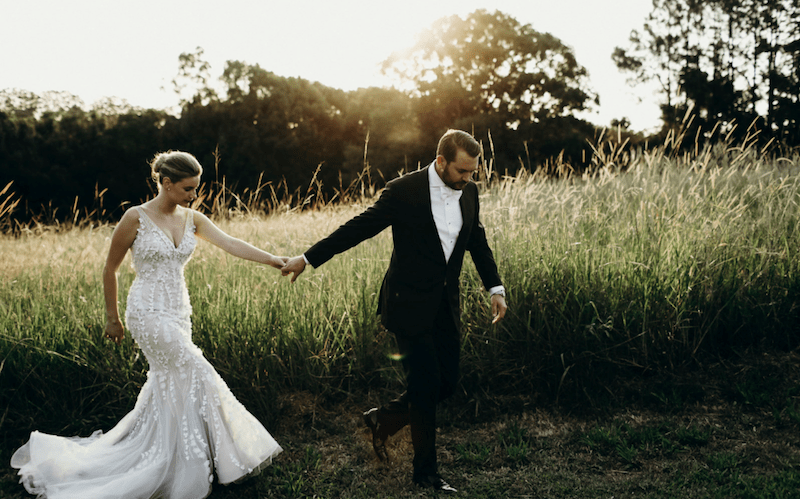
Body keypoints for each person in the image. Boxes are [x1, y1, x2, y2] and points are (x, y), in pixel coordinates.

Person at [11, 151, 284, 499]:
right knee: (197, 369)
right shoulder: (134, 218)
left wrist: (275, 261)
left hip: (178, 310)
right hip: (147, 311)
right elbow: (110, 268)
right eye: (187, 189)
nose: (193, 195)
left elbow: (231, 244)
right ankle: (228, 459)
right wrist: (112, 318)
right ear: (166, 184)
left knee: (174, 384)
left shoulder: (193, 218)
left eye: (196, 188)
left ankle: (176, 460)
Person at [281, 129, 507, 493]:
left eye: (472, 172)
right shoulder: (404, 190)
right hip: (407, 304)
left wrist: (494, 287)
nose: (468, 179)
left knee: (447, 383)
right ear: (440, 162)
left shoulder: (471, 192)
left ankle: (382, 419)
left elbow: (476, 241)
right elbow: (358, 228)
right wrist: (308, 258)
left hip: (445, 304)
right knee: (425, 383)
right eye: (462, 171)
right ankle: (426, 473)